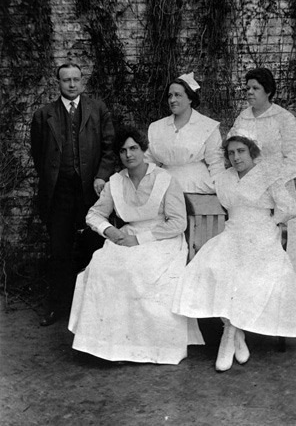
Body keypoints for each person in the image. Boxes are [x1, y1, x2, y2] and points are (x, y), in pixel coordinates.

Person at [68, 127, 204, 364]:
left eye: (133, 148)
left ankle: (142, 347)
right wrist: (109, 230)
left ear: (144, 150)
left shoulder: (165, 179)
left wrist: (140, 239)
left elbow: (178, 223)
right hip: (126, 236)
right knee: (101, 265)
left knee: (135, 269)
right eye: (122, 151)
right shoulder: (115, 182)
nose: (128, 155)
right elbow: (94, 214)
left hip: (162, 239)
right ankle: (107, 345)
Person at [173, 130, 296, 372]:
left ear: (252, 151)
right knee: (210, 266)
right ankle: (235, 335)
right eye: (231, 153)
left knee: (248, 271)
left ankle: (228, 337)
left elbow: (288, 208)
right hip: (233, 232)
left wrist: (270, 224)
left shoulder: (268, 174)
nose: (236, 157)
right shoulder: (224, 179)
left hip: (262, 233)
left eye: (241, 151)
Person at [30, 63, 115, 326]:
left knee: (94, 246)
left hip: (91, 191)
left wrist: (101, 175)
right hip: (60, 194)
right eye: (66, 80)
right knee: (60, 251)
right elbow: (38, 153)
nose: (71, 84)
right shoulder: (44, 114)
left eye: (76, 79)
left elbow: (110, 148)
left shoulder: (97, 109)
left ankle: (95, 307)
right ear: (58, 83)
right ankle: (58, 305)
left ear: (83, 81)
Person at [227, 68, 296, 309]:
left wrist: (272, 179)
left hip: (278, 185)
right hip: (251, 189)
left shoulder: (284, 118)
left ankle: (289, 302)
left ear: (269, 91)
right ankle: (254, 302)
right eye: (247, 88)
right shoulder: (243, 118)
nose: (250, 93)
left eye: (255, 88)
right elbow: (232, 147)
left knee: (283, 243)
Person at [144, 72, 225, 193]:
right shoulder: (157, 127)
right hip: (164, 186)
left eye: (178, 95)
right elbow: (148, 161)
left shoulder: (207, 126)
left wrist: (218, 189)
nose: (172, 100)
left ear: (190, 98)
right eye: (170, 96)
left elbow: (216, 162)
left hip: (197, 187)